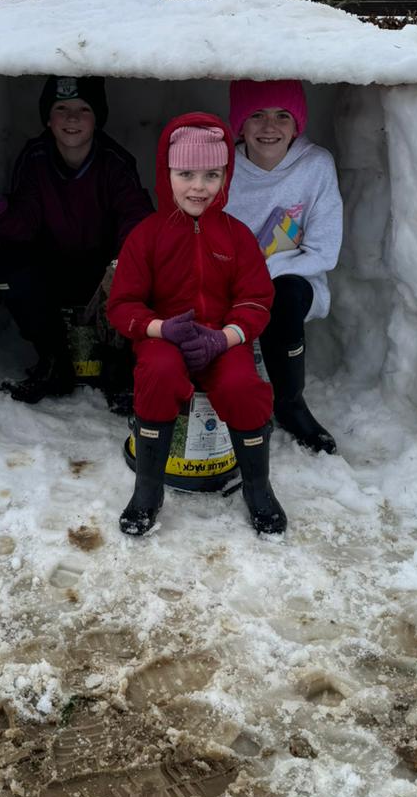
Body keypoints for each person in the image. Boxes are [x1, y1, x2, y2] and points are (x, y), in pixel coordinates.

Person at [107, 112, 287, 539]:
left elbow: (256, 299)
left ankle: (258, 487)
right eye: (185, 173)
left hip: (221, 341)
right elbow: (122, 304)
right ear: (166, 173)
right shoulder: (146, 236)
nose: (198, 186)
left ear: (225, 177)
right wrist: (159, 329)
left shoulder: (237, 235)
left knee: (243, 385)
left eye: (211, 174)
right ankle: (148, 488)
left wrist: (224, 337)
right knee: (159, 373)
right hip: (164, 339)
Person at [0, 75, 152, 405]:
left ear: (97, 117)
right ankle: (53, 360)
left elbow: (136, 216)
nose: (72, 118)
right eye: (61, 108)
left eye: (83, 109)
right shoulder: (36, 158)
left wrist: (122, 263)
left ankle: (119, 364)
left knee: (141, 269)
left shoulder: (114, 162)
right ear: (47, 117)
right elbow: (22, 229)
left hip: (103, 275)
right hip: (53, 271)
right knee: (10, 268)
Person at [224, 79, 342, 454]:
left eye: (282, 116)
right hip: (228, 281)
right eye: (256, 115)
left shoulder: (316, 166)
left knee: (285, 297)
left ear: (297, 124)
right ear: (240, 124)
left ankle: (289, 403)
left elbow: (325, 251)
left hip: (291, 279)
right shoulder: (223, 167)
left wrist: (264, 277)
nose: (269, 127)